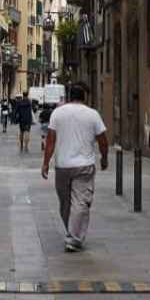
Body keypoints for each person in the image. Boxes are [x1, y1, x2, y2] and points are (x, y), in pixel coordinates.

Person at [40, 82, 108, 252]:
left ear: (69, 96)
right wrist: (104, 157)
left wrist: (46, 163)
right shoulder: (93, 114)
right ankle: (74, 234)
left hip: (62, 165)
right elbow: (103, 139)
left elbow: (50, 140)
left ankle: (73, 236)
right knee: (80, 202)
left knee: (65, 202)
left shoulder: (58, 113)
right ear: (84, 97)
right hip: (84, 165)